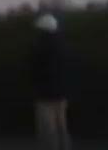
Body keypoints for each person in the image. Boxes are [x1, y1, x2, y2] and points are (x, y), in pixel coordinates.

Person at [29, 13, 71, 150]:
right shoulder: (63, 46)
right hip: (61, 94)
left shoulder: (39, 48)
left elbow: (33, 70)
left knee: (48, 131)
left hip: (45, 96)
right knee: (61, 128)